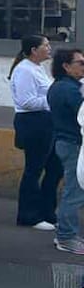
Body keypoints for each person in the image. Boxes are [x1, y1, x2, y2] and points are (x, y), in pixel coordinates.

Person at [10, 34, 60, 231]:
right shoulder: (24, 70)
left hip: (47, 122)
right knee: (34, 169)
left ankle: (47, 211)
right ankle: (28, 215)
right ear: (34, 50)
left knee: (55, 168)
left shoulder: (38, 68)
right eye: (46, 45)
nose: (49, 48)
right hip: (33, 122)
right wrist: (53, 99)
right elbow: (26, 101)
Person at [48, 47, 84, 253]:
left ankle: (66, 233)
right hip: (72, 144)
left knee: (73, 189)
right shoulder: (69, 90)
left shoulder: (63, 86)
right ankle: (66, 236)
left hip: (67, 142)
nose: (83, 66)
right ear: (66, 66)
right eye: (80, 63)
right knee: (74, 191)